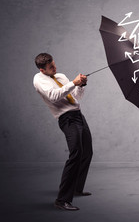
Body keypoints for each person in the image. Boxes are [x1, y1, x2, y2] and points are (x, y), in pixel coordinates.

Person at [33, 53, 93, 211]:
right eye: (51, 67)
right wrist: (73, 82)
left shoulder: (60, 76)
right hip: (67, 119)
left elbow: (76, 97)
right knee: (76, 155)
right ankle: (62, 200)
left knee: (87, 152)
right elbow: (53, 96)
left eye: (54, 64)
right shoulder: (38, 79)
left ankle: (76, 188)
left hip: (78, 115)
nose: (55, 68)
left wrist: (80, 85)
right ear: (42, 70)